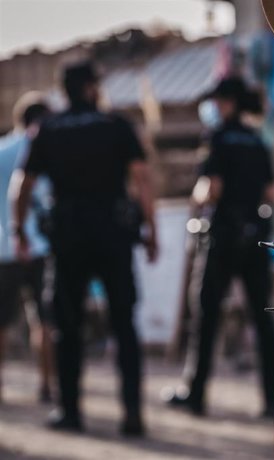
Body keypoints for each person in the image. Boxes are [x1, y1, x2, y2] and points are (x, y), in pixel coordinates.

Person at [13, 61, 158, 435]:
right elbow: (142, 180)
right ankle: (132, 415)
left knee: (67, 327)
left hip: (68, 238)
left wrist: (19, 230)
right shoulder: (116, 126)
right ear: (94, 87)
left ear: (63, 90)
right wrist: (152, 231)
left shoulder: (48, 129)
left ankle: (70, 411)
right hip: (113, 234)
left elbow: (22, 186)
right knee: (124, 324)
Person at [164, 77, 274, 419]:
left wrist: (198, 196)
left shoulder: (218, 138)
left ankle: (196, 393)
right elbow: (271, 193)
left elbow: (212, 188)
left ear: (226, 102)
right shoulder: (258, 140)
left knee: (207, 316)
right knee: (263, 318)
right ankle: (273, 399)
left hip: (223, 235)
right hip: (255, 236)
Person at [0, 92, 54, 404]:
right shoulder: (48, 150)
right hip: (41, 247)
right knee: (45, 320)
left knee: (1, 322)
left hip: (5, 248)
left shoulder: (3, 150)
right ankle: (48, 384)